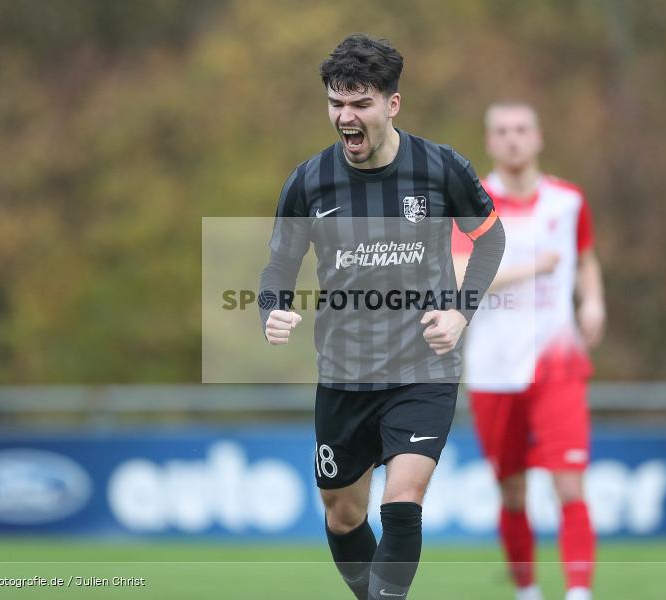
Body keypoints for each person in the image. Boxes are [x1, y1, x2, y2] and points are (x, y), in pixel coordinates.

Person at [258, 34, 505, 600]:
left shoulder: (442, 168)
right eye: (336, 103)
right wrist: (272, 310)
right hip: (344, 373)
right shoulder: (308, 181)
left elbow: (490, 241)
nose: (346, 116)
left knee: (402, 501)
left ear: (392, 104)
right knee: (345, 517)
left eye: (360, 103)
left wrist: (461, 314)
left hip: (425, 366)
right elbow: (279, 266)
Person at [452, 102, 606, 600]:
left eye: (521, 130)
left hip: (557, 362)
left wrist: (594, 302)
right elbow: (458, 278)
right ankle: (528, 590)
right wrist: (533, 268)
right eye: (502, 131)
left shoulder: (568, 200)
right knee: (512, 490)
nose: (513, 139)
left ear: (538, 138)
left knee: (569, 483)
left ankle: (578, 593)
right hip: (494, 367)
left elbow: (584, 259)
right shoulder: (471, 206)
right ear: (489, 141)